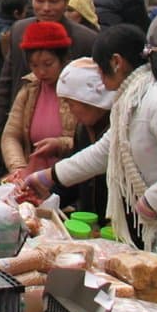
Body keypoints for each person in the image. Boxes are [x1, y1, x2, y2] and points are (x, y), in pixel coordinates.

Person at [24, 25, 157, 312]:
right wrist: (49, 177)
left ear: (116, 62)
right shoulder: (131, 101)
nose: (99, 78)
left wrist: (152, 202)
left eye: (99, 69)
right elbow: (104, 152)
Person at [0, 0, 97, 154]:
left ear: (66, 2)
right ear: (31, 0)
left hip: (71, 138)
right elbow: (6, 81)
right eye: (40, 0)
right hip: (23, 126)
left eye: (53, 1)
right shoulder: (19, 31)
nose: (46, 8)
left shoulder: (86, 40)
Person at [0, 20, 78, 177]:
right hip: (34, 177)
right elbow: (11, 135)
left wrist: (60, 144)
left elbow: (92, 143)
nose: (41, 72)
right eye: (34, 65)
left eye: (48, 64)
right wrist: (18, 169)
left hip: (70, 179)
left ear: (63, 60)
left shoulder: (78, 89)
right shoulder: (30, 89)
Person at [54, 58, 114, 221]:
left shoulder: (117, 129)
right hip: (89, 222)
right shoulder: (83, 130)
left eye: (70, 103)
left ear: (90, 100)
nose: (68, 110)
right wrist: (45, 197)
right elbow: (74, 178)